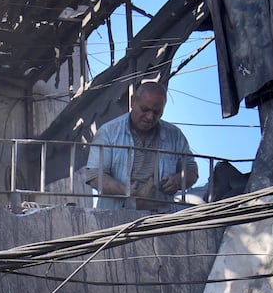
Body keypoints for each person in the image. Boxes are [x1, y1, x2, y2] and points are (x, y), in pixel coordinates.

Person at [83, 80, 198, 211]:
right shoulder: (109, 132)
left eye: (156, 112)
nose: (150, 117)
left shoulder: (175, 135)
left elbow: (191, 170)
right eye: (145, 109)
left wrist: (178, 180)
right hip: (116, 216)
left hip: (162, 218)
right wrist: (125, 190)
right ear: (132, 102)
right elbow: (94, 176)